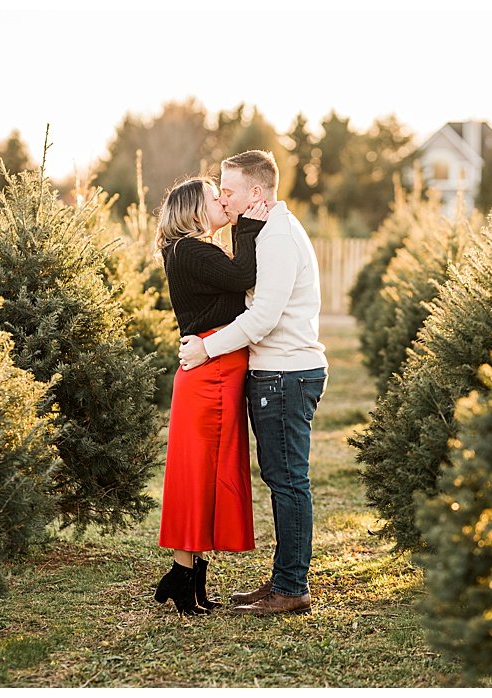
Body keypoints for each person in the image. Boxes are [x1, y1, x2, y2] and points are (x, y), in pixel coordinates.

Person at [178, 150, 328, 616]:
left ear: (256, 193)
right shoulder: (269, 231)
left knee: (288, 483)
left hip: (285, 373)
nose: (222, 197)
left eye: (229, 190)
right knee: (280, 479)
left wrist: (208, 347)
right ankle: (284, 579)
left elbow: (262, 317)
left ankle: (291, 589)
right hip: (275, 372)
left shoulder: (278, 237)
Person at [152, 176, 270, 615]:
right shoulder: (191, 250)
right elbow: (245, 274)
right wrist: (248, 226)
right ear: (194, 211)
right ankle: (184, 578)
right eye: (213, 196)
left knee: (205, 475)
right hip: (210, 374)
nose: (222, 199)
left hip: (213, 370)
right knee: (198, 476)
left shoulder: (194, 250)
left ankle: (188, 577)